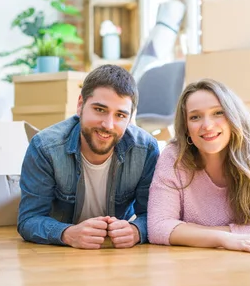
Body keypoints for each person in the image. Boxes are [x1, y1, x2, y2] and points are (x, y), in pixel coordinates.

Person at [147, 78, 250, 254]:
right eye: (195, 117)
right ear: (186, 128)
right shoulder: (174, 157)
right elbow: (158, 227)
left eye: (218, 113)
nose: (207, 125)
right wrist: (225, 239)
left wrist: (195, 232)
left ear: (233, 117)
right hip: (192, 266)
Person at [17, 64, 160, 249]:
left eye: (120, 115)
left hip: (115, 254)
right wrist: (67, 234)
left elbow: (155, 216)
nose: (108, 125)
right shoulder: (45, 147)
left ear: (130, 118)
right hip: (61, 257)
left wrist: (136, 230)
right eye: (100, 110)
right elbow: (28, 219)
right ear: (80, 105)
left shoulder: (146, 149)